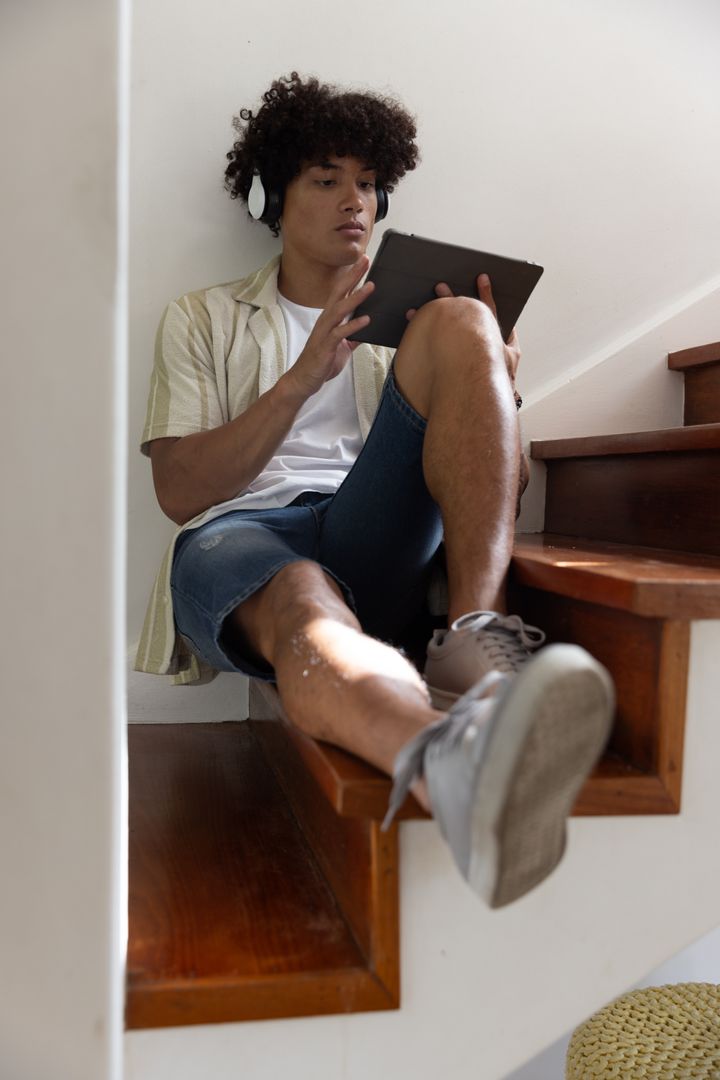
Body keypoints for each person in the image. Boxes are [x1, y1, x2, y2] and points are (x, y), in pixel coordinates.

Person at [137, 72, 614, 909]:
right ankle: (447, 762)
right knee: (301, 593)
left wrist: (497, 385)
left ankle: (473, 642)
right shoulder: (201, 317)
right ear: (270, 197)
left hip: (372, 529)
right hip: (242, 537)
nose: (354, 200)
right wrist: (300, 380)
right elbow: (179, 492)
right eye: (326, 179)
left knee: (464, 318)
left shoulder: (409, 329)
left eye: (367, 182)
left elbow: (500, 489)